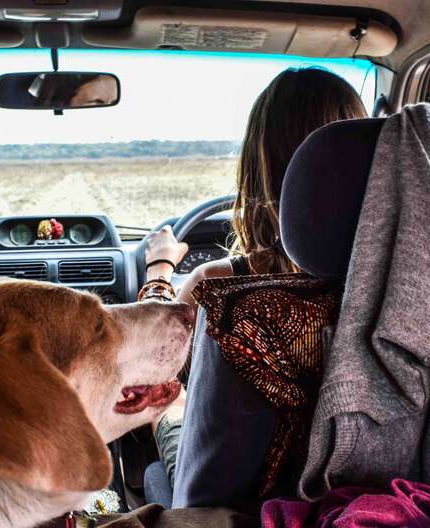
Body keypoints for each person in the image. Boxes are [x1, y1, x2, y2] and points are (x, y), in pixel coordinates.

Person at [140, 67, 368, 506]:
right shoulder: (410, 287)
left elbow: (152, 360)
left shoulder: (225, 289)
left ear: (260, 168)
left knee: (168, 398)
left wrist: (160, 268)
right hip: (356, 498)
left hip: (232, 510)